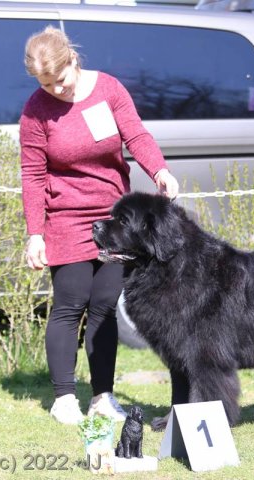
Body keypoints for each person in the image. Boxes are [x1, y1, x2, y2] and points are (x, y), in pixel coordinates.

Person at [20, 26, 179, 425]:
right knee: (70, 304)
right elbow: (32, 175)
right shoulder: (35, 110)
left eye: (60, 79)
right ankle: (64, 398)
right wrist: (35, 233)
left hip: (114, 219)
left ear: (74, 60)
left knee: (105, 306)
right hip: (65, 218)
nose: (55, 89)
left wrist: (158, 170)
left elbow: (136, 135)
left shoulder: (107, 90)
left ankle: (103, 397)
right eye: (46, 83)